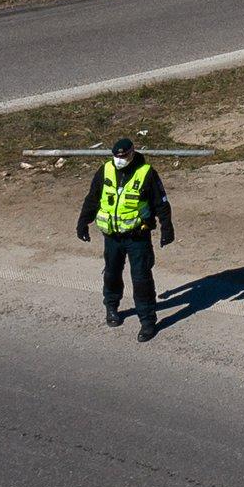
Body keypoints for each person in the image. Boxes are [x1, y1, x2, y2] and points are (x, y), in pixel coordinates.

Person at [75, 138, 173, 341]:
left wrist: (167, 228)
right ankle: (111, 308)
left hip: (138, 236)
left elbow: (161, 203)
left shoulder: (147, 173)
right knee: (111, 273)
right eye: (116, 157)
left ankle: (147, 322)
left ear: (132, 153)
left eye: (123, 156)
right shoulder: (105, 171)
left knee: (141, 279)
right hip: (112, 236)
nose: (119, 160)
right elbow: (92, 198)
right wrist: (83, 222)